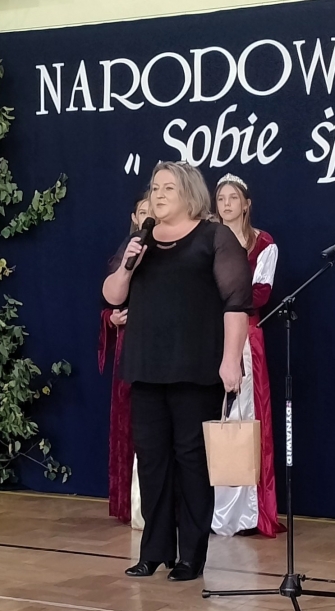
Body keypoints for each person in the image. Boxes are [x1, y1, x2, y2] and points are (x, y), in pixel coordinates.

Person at [103, 162, 252, 581]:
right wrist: (128, 265)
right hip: (146, 366)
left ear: (189, 193)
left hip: (195, 367)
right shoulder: (140, 239)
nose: (159, 195)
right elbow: (112, 295)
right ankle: (154, 551)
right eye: (155, 188)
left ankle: (191, 555)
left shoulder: (214, 237)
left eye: (168, 188)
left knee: (192, 461)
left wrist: (230, 360)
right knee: (152, 460)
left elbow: (237, 303)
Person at [212, 173, 283, 538]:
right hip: (206, 333)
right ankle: (205, 509)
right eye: (221, 198)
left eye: (233, 198)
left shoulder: (262, 244)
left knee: (241, 418)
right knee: (208, 417)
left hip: (244, 336)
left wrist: (223, 297)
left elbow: (260, 295)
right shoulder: (206, 238)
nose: (226, 204)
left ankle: (242, 513)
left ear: (246, 204)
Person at [99, 194, 149, 526]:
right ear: (134, 217)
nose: (148, 216)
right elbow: (108, 302)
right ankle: (129, 503)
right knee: (128, 423)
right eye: (143, 212)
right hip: (130, 348)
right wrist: (112, 318)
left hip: (160, 344)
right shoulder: (125, 253)